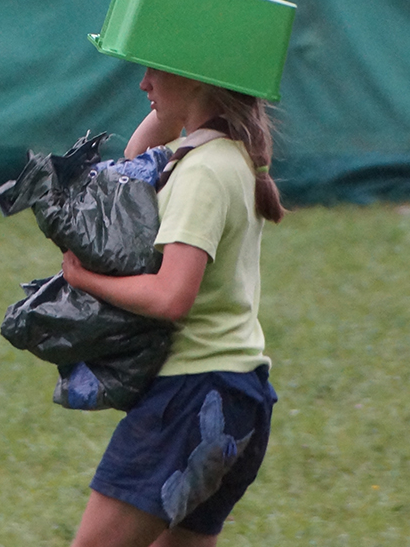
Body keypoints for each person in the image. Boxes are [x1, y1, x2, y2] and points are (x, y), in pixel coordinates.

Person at [59, 65, 285, 547]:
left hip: (190, 399)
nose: (143, 84)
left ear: (198, 79)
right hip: (239, 395)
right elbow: (134, 159)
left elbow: (170, 297)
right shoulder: (224, 156)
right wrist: (172, 102)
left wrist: (84, 279)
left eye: (156, 72)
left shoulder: (202, 172)